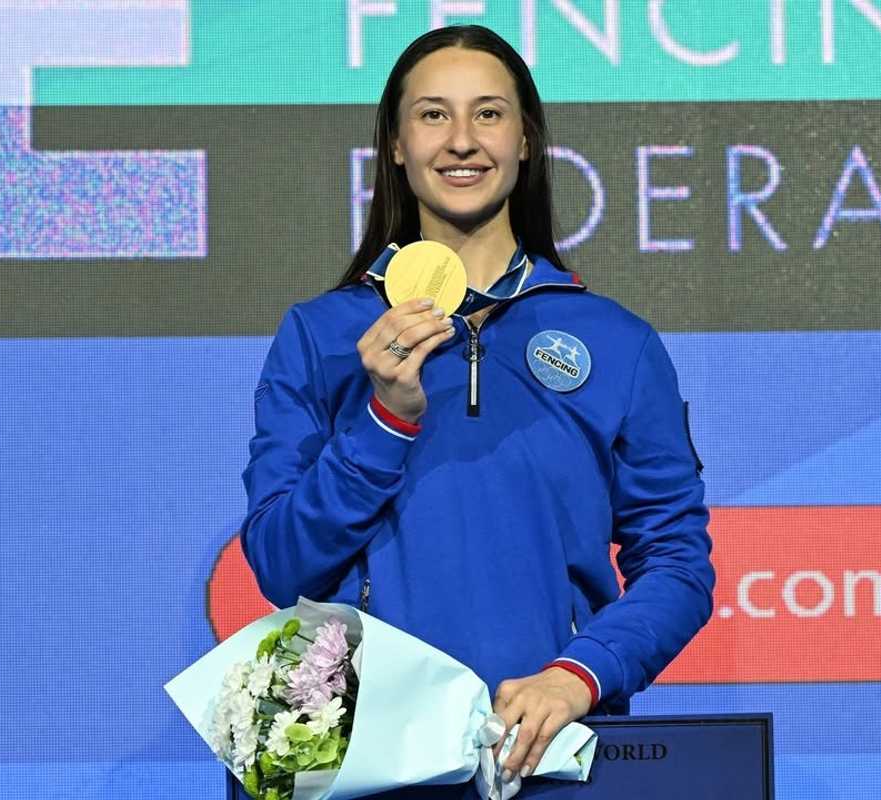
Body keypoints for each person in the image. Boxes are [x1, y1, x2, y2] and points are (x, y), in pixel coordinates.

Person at [241, 24, 714, 794]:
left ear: (526, 139)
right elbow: (282, 562)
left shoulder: (617, 342)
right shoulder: (322, 335)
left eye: (488, 114)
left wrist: (579, 674)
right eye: (433, 115)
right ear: (395, 145)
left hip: (554, 755)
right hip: (367, 758)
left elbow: (678, 563)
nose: (462, 140)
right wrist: (386, 418)